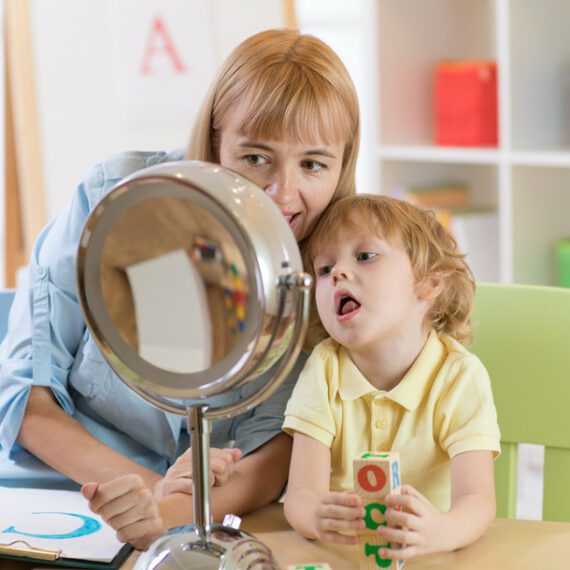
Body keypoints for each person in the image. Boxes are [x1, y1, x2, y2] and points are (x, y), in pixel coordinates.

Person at [0, 29, 360, 549]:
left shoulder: (328, 276)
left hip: (197, 527)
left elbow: (278, 455)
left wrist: (168, 514)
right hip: (51, 505)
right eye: (255, 157)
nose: (282, 192)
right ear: (215, 141)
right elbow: (23, 398)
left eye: (312, 164)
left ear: (342, 165)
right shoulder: (114, 199)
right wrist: (151, 498)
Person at [282, 194, 500, 562]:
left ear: (429, 284)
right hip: (341, 558)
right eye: (323, 269)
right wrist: (315, 518)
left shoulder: (459, 376)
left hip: (431, 557)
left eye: (365, 256)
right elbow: (302, 493)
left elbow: (477, 501)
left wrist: (444, 530)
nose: (337, 273)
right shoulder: (323, 368)